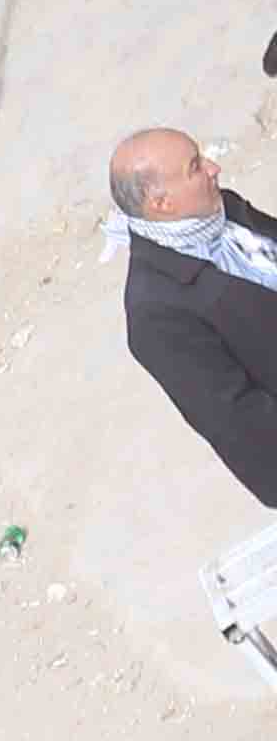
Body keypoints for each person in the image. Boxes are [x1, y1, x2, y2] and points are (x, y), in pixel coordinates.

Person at [110, 122, 277, 497]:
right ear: (161, 204)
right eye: (195, 166)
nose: (213, 168)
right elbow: (239, 423)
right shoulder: (156, 314)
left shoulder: (220, 209)